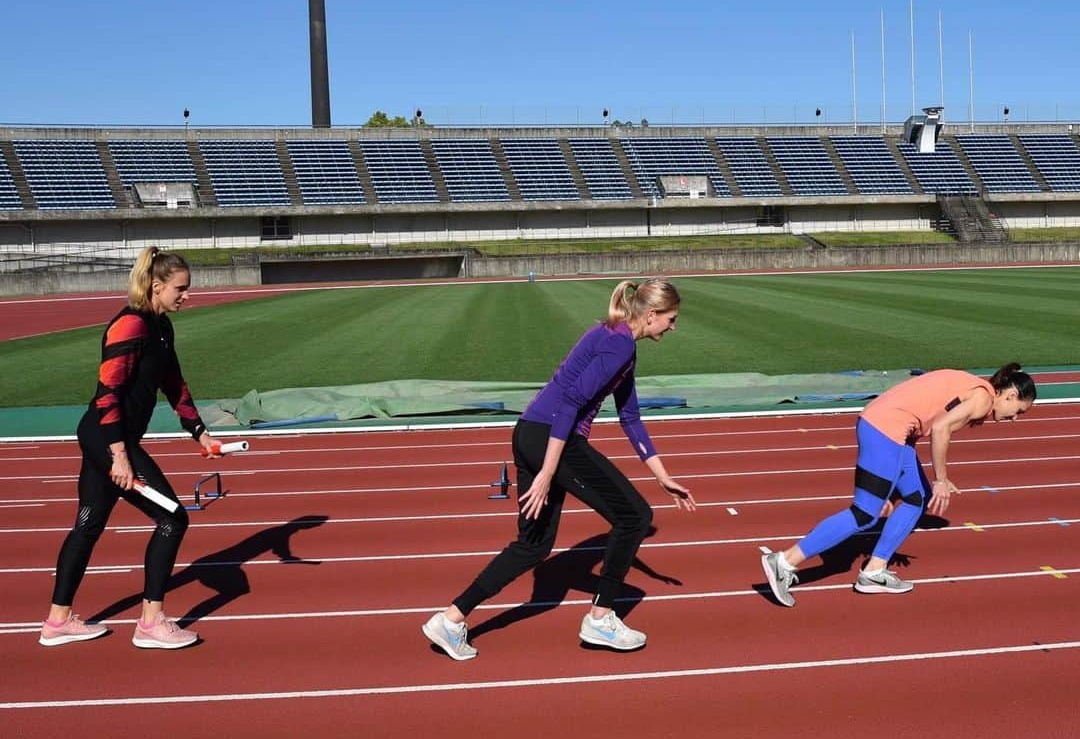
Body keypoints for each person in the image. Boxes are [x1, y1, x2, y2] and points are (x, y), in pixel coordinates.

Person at [423, 278, 697, 660]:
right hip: (557, 438)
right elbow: (569, 403)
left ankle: (451, 620)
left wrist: (661, 475)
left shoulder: (616, 338)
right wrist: (549, 472)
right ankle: (601, 618)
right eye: (671, 319)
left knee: (533, 545)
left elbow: (630, 417)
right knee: (635, 517)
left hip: (529, 432)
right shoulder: (617, 345)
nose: (673, 327)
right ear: (652, 315)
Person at [39, 247, 221, 649]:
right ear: (156, 286)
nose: (187, 296)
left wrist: (200, 433)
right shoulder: (129, 326)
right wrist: (119, 454)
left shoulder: (161, 327)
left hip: (107, 439)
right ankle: (151, 624)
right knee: (174, 519)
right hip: (106, 437)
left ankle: (57, 622)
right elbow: (107, 394)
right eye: (181, 288)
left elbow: (174, 383)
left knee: (87, 525)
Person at [760, 363, 1036, 607]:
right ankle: (784, 562)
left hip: (888, 427)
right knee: (865, 513)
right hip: (885, 428)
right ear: (1011, 395)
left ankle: (875, 570)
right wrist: (941, 478)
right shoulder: (982, 399)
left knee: (917, 497)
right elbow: (941, 429)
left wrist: (891, 487)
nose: (1014, 418)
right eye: (1018, 411)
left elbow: (919, 417)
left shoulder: (971, 384)